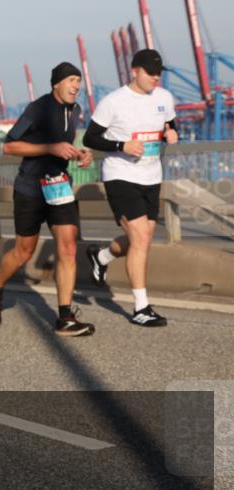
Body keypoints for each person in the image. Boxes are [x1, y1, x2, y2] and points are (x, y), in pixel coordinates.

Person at [0, 62, 95, 337]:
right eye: (71, 80)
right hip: (30, 189)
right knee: (24, 251)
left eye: (78, 81)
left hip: (59, 187)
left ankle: (65, 317)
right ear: (56, 83)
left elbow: (62, 145)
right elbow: (9, 145)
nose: (76, 86)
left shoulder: (76, 110)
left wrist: (81, 153)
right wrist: (50, 148)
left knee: (67, 248)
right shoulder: (38, 108)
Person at [83, 49, 177, 327]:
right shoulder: (113, 102)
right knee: (139, 238)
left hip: (151, 176)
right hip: (120, 175)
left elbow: (168, 125)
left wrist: (170, 133)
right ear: (134, 71)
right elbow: (91, 137)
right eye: (150, 73)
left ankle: (101, 256)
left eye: (159, 73)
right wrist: (121, 146)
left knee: (144, 237)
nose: (155, 78)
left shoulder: (164, 98)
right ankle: (141, 307)